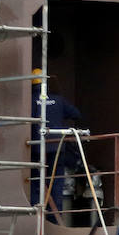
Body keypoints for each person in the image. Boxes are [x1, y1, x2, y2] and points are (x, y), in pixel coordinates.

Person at [30, 70, 85, 211]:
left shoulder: (29, 101)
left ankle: (37, 215)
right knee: (56, 183)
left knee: (36, 182)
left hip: (36, 149)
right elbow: (76, 114)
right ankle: (55, 217)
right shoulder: (58, 100)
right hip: (56, 148)